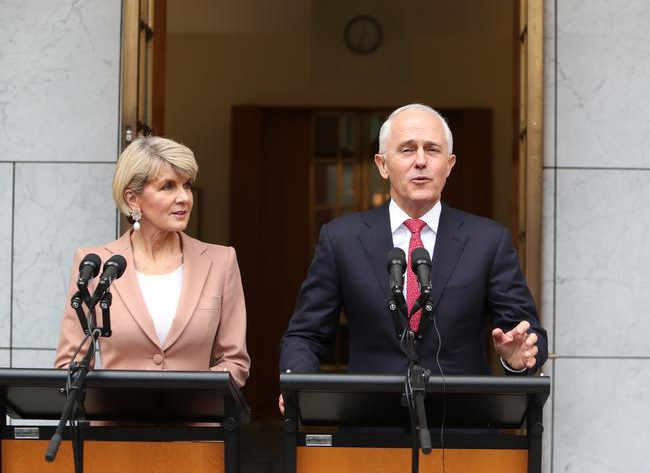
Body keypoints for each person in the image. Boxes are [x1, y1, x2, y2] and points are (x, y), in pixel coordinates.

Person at [279, 104, 547, 410]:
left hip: (463, 428)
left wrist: (517, 359)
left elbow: (527, 335)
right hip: (367, 425)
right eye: (407, 150)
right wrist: (297, 383)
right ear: (382, 164)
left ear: (449, 164)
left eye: (432, 150)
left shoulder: (488, 240)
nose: (421, 161)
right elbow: (306, 335)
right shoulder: (342, 239)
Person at [55, 136, 250, 387]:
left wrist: (192, 396)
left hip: (195, 422)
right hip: (114, 423)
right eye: (168, 186)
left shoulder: (221, 261)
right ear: (132, 199)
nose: (184, 197)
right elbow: (70, 365)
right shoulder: (95, 264)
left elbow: (235, 361)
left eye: (187, 185)